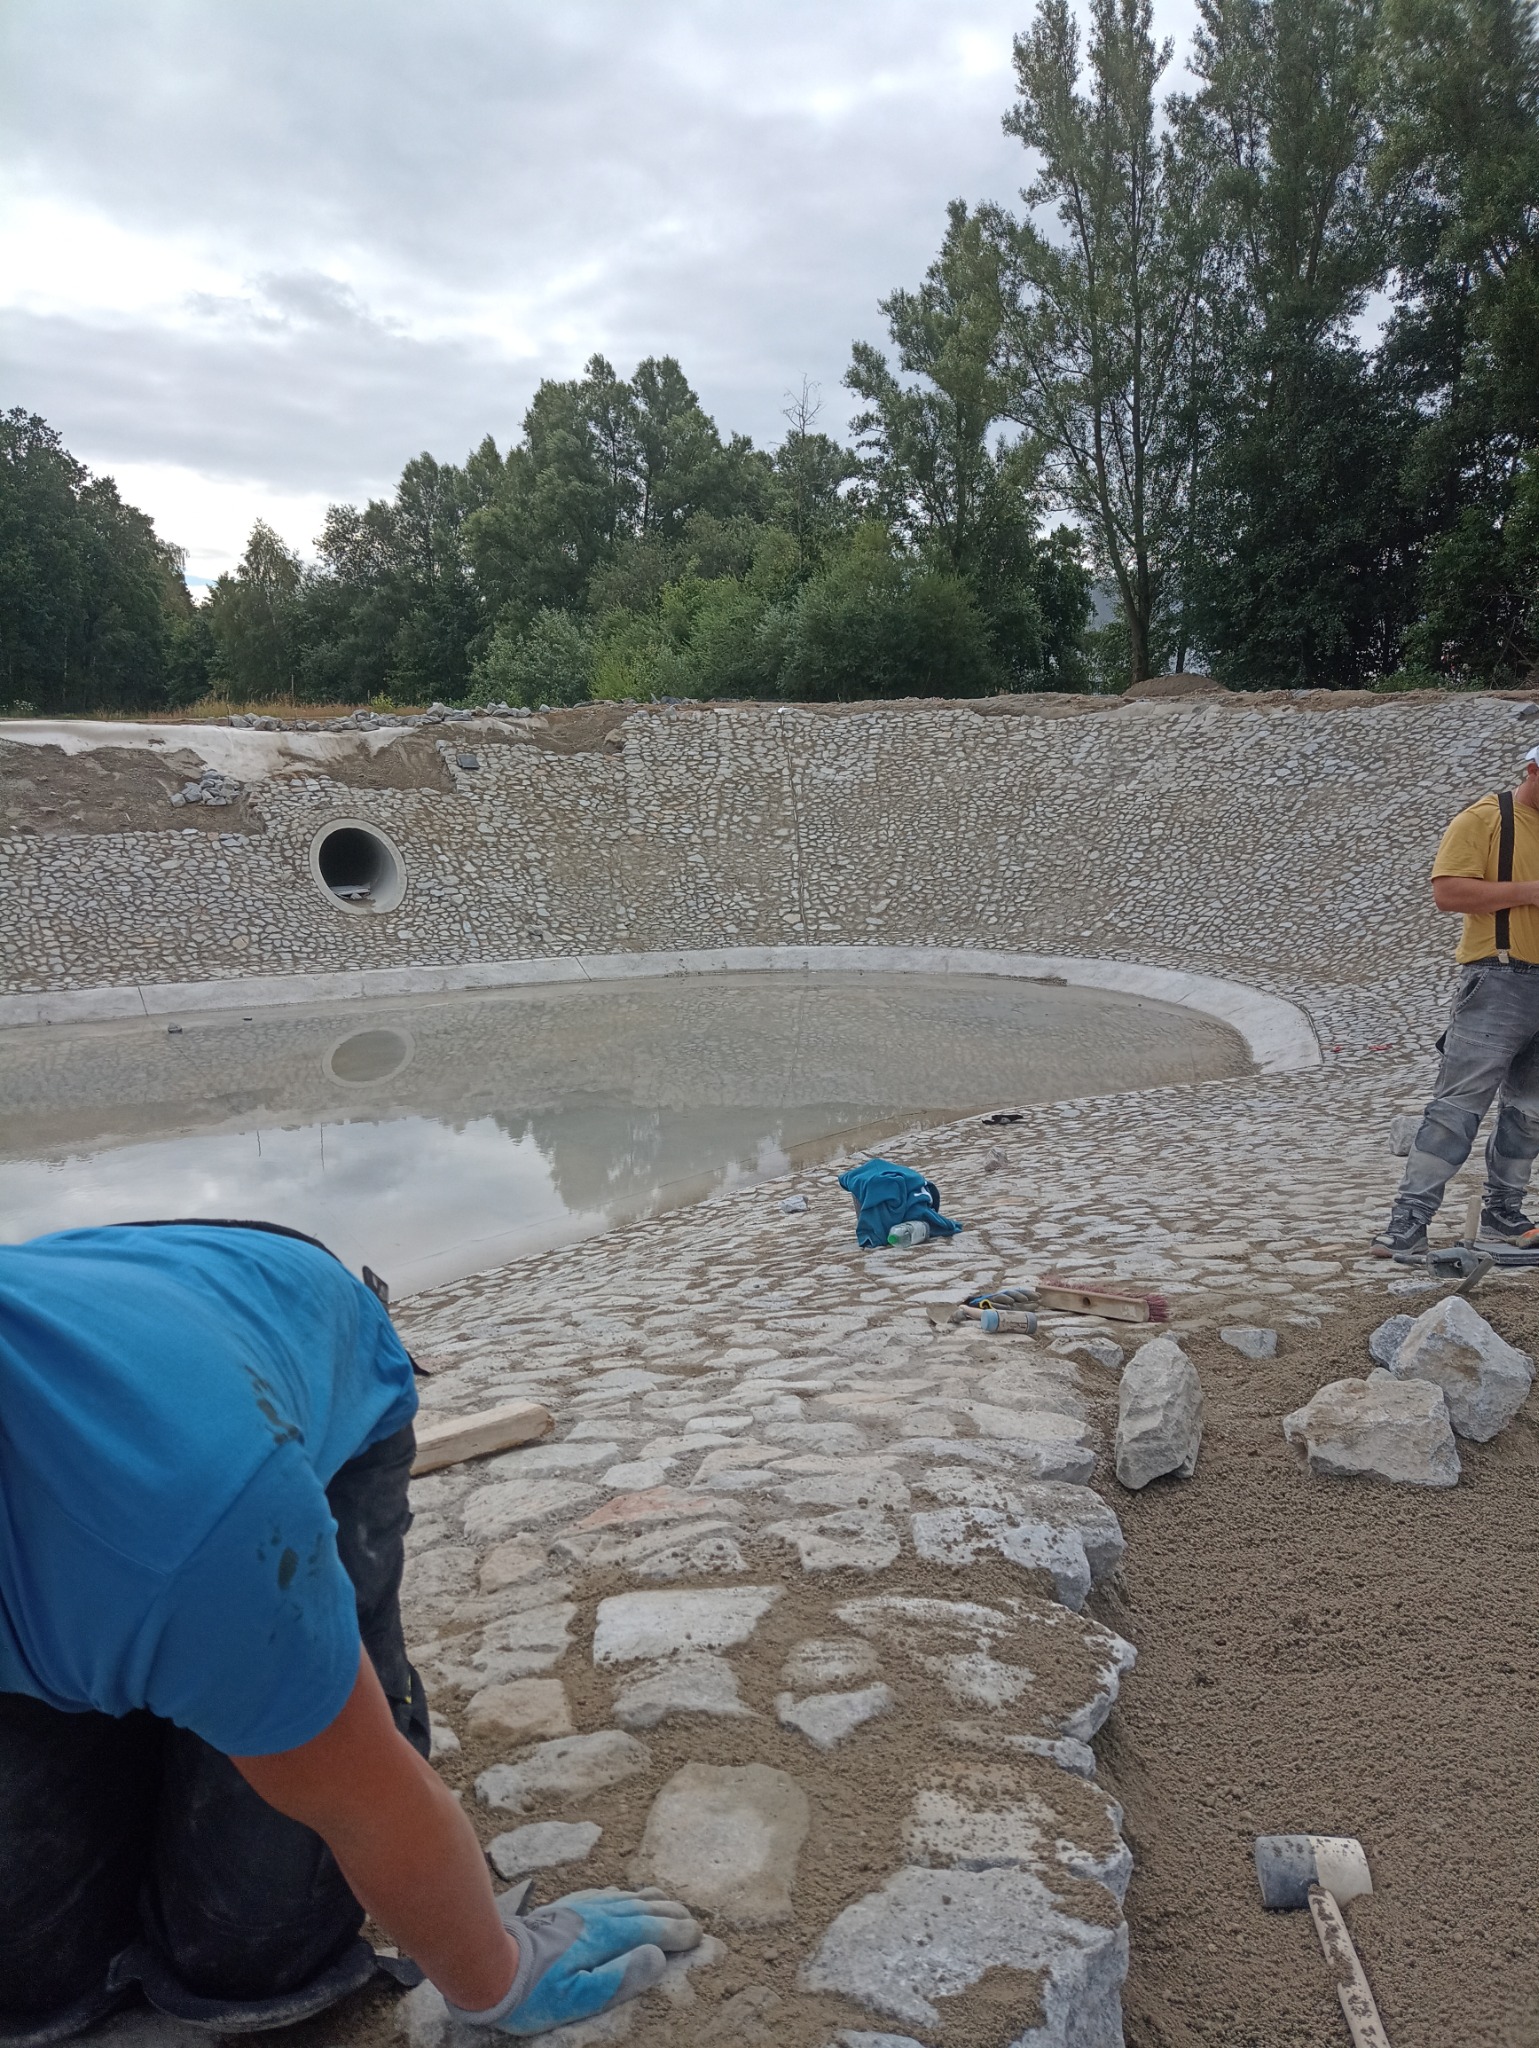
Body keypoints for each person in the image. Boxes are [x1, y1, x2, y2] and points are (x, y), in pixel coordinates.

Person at [0, 1220, 699, 2044]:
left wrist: (497, 1979)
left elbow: (357, 1796)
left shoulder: (181, 1523)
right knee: (32, 1978)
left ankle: (198, 1685)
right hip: (117, 1389)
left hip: (279, 1346)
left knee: (249, 1957)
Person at [1374, 747, 1539, 1256]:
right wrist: (1534, 890)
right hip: (1498, 980)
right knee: (1456, 1108)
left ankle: (1504, 1216)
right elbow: (1448, 893)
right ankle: (1407, 1223)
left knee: (1531, 1112)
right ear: (1534, 770)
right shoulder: (1486, 819)